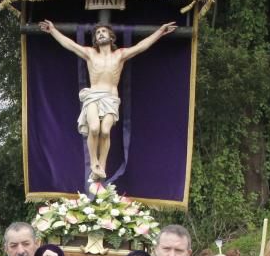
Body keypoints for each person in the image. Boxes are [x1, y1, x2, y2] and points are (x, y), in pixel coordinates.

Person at [39, 19, 176, 180]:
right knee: (95, 128)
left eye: (103, 31)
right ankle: (94, 163)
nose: (100, 34)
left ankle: (102, 167)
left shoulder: (119, 55)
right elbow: (69, 44)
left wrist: (160, 31)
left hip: (111, 99)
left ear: (111, 37)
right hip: (92, 97)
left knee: (105, 131)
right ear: (95, 40)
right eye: (97, 33)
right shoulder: (90, 54)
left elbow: (141, 47)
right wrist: (53, 30)